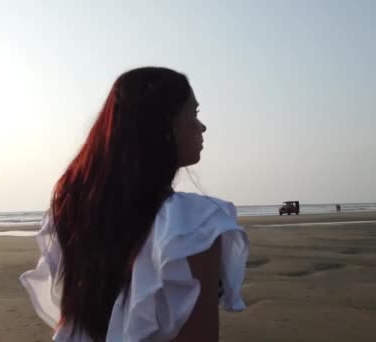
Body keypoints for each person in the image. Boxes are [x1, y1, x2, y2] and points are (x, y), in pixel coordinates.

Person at [20, 67, 249, 341]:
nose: (202, 127)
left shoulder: (74, 212)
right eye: (194, 113)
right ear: (164, 124)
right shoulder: (191, 226)